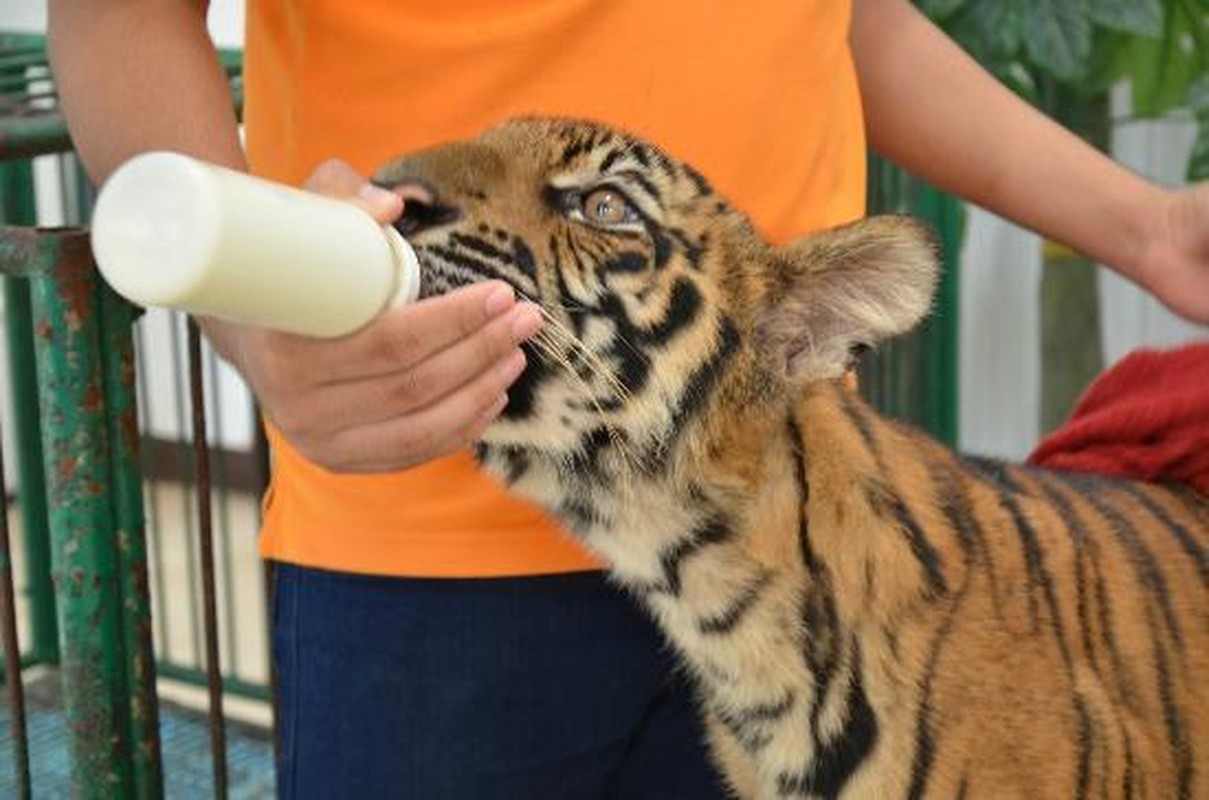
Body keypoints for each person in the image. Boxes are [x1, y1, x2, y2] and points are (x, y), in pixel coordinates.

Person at [48, 1, 1209, 798]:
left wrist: (1149, 230)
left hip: (799, 512)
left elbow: (853, 19)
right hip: (426, 528)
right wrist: (255, 321)